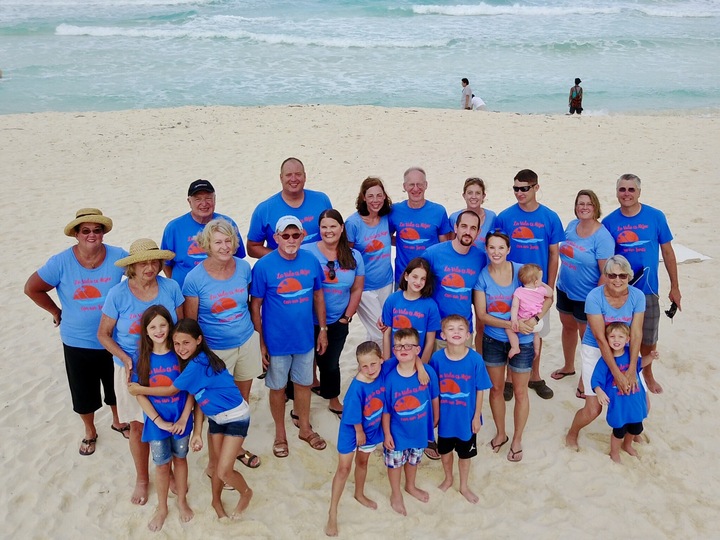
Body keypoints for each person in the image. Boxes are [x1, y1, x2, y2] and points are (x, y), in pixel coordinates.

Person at [24, 208, 128, 456]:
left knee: (115, 386)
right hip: (76, 340)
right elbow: (32, 288)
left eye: (97, 230)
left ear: (103, 233)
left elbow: (141, 274)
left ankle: (119, 421)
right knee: (83, 391)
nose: (92, 235)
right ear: (76, 234)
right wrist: (55, 311)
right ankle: (90, 431)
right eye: (86, 231)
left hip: (113, 338)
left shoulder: (117, 256)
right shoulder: (60, 262)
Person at [130, 318, 254, 519]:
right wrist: (197, 432)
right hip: (215, 418)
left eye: (186, 343)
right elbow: (197, 399)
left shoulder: (198, 362)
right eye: (177, 343)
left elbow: (171, 389)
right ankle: (216, 501)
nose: (180, 348)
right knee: (214, 466)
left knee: (223, 471)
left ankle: (246, 493)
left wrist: (139, 389)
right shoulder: (189, 361)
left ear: (198, 340)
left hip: (235, 418)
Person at [97, 238, 184, 505]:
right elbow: (103, 334)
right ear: (131, 267)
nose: (150, 266)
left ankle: (167, 471)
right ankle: (142, 478)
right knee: (137, 426)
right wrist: (124, 358)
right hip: (131, 370)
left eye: (154, 261)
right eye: (143, 262)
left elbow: (180, 326)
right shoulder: (118, 294)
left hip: (167, 367)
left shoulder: (170, 287)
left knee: (168, 421)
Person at [182, 218, 262, 469]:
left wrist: (259, 341)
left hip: (246, 341)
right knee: (218, 409)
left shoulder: (243, 268)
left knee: (241, 401)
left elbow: (249, 306)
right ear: (207, 244)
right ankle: (216, 464)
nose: (225, 246)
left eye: (228, 241)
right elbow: (191, 322)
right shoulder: (194, 279)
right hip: (216, 351)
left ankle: (235, 448)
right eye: (218, 242)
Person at [249, 216, 329, 458]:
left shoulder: (311, 260)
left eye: (296, 235)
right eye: (286, 235)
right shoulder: (263, 266)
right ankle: (281, 433)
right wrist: (260, 341)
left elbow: (318, 296)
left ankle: (304, 428)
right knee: (278, 388)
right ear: (276, 238)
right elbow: (256, 306)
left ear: (303, 236)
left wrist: (323, 330)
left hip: (305, 338)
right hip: (276, 342)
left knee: (304, 384)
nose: (291, 240)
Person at [473, 231, 552, 462]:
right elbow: (482, 314)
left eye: (501, 248)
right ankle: (501, 433)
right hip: (493, 339)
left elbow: (549, 297)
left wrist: (535, 321)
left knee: (520, 392)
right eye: (491, 248)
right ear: (486, 250)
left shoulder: (521, 271)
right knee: (496, 390)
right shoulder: (482, 277)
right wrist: (512, 323)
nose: (496, 252)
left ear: (508, 250)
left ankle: (517, 438)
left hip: (525, 341)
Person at [602, 173, 682, 394]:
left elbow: (667, 251)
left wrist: (675, 287)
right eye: (622, 190)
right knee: (618, 335)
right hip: (619, 291)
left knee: (648, 336)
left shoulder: (655, 216)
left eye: (631, 190)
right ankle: (621, 370)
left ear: (639, 192)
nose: (626, 194)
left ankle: (646, 372)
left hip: (648, 291)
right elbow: (605, 258)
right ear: (617, 192)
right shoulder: (609, 222)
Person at [565, 255, 646, 450]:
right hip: (596, 348)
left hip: (623, 346)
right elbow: (601, 338)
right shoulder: (594, 296)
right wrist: (618, 374)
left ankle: (631, 432)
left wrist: (631, 370)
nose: (617, 280)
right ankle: (572, 432)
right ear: (605, 276)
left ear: (629, 276)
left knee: (639, 397)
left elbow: (635, 334)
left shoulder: (637, 296)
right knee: (593, 409)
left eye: (622, 276)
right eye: (612, 275)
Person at [495, 169, 563, 400]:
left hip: (538, 288)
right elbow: (497, 251)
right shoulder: (504, 217)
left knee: (536, 332)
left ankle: (534, 375)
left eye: (524, 188)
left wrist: (549, 289)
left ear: (536, 188)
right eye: (516, 188)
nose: (519, 193)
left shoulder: (550, 217)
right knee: (511, 329)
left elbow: (554, 255)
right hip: (511, 286)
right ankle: (509, 379)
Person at [132, 306, 195, 531]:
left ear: (170, 326)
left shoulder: (180, 354)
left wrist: (184, 418)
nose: (158, 330)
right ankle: (162, 508)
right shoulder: (142, 357)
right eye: (153, 327)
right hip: (157, 422)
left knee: (180, 459)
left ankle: (181, 501)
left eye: (163, 325)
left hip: (181, 419)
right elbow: (138, 392)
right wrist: (157, 420)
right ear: (146, 331)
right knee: (161, 465)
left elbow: (190, 390)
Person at [303, 209, 365, 416]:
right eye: (324, 227)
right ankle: (306, 387)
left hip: (338, 319)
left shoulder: (354, 255)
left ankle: (332, 398)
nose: (329, 231)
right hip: (307, 318)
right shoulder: (307, 251)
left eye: (333, 226)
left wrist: (346, 317)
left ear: (341, 228)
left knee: (330, 362)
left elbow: (357, 288)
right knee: (305, 357)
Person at [552, 190, 615, 385]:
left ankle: (585, 380)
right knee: (568, 328)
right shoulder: (572, 226)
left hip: (586, 296)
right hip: (564, 288)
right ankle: (568, 366)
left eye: (588, 204)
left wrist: (595, 300)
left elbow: (606, 273)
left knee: (587, 338)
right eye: (580, 204)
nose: (584, 207)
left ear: (595, 207)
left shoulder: (603, 237)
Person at [324, 341, 385, 537]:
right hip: (354, 430)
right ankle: (332, 511)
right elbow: (351, 413)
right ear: (359, 366)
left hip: (372, 429)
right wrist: (359, 432)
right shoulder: (357, 387)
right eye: (364, 366)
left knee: (363, 462)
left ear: (381, 360)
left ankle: (359, 493)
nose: (369, 369)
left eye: (373, 364)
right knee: (343, 469)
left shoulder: (383, 372)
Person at [429, 315, 491, 504]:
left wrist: (477, 415)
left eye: (461, 329)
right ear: (443, 335)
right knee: (445, 452)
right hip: (446, 419)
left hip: (467, 419)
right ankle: (448, 478)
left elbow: (481, 389)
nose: (456, 332)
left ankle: (463, 485)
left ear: (467, 335)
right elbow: (433, 391)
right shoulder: (437, 358)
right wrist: (435, 416)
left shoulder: (475, 359)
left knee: (465, 455)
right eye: (451, 329)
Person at [382, 328, 439, 516]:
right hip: (397, 432)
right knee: (395, 463)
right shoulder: (390, 378)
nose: (403, 349)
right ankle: (396, 493)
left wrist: (436, 417)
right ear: (394, 350)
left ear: (417, 349)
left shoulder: (427, 372)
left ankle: (410, 486)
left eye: (408, 346)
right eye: (398, 346)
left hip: (420, 430)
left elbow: (434, 397)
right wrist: (387, 433)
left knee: (414, 460)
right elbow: (386, 409)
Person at [161, 179, 246, 287]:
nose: (204, 203)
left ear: (215, 199)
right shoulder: (174, 228)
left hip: (221, 291)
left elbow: (238, 259)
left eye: (208, 198)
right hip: (184, 293)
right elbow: (165, 263)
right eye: (198, 199)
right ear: (189, 201)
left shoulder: (227, 224)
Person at [246, 157, 332, 258]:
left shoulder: (321, 200)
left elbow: (334, 232)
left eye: (298, 174)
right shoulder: (264, 209)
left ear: (305, 176)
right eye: (288, 175)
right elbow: (252, 247)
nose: (294, 179)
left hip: (319, 265)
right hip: (283, 270)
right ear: (281, 178)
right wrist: (281, 257)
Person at [422, 210, 484, 349]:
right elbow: (412, 284)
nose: (468, 231)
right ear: (456, 227)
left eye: (473, 228)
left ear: (478, 232)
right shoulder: (433, 253)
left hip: (464, 333)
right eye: (464, 226)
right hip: (436, 333)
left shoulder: (481, 258)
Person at [591, 322, 652, 463]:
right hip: (619, 405)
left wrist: (651, 357)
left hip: (635, 402)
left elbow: (640, 363)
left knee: (635, 428)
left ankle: (627, 445)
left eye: (620, 336)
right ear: (607, 340)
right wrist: (599, 392)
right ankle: (614, 452)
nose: (616, 340)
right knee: (618, 431)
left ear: (628, 339)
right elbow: (596, 380)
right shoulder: (605, 360)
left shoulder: (631, 355)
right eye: (612, 336)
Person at [346, 177, 394, 346]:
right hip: (364, 288)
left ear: (384, 196)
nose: (375, 200)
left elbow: (394, 238)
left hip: (387, 282)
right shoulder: (353, 223)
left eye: (379, 195)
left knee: (381, 329)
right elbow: (346, 254)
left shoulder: (386, 217)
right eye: (371, 196)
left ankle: (369, 367)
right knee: (381, 332)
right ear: (363, 197)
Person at [389, 167, 452, 286]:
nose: (416, 188)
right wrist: (403, 241)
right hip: (403, 277)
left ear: (426, 185)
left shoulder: (438, 211)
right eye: (411, 184)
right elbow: (386, 237)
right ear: (404, 186)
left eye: (420, 184)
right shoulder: (395, 210)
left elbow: (444, 246)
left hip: (430, 277)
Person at [381, 258, 441, 363]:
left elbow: (430, 342)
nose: (418, 282)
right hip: (395, 360)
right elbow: (387, 334)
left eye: (423, 279)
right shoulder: (392, 300)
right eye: (415, 277)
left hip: (416, 362)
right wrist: (387, 363)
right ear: (406, 276)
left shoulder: (431, 306)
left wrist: (422, 366)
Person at [507, 263, 554, 358]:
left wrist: (514, 320)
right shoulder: (541, 290)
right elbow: (551, 293)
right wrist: (543, 284)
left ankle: (515, 347)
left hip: (523, 320)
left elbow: (515, 306)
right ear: (536, 282)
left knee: (508, 329)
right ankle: (536, 350)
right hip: (537, 322)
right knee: (536, 334)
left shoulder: (519, 291)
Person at [448, 177, 496, 253]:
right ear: (464, 195)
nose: (473, 197)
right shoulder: (454, 218)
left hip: (484, 263)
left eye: (478, 193)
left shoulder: (491, 217)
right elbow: (450, 246)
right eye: (470, 193)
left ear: (483, 196)